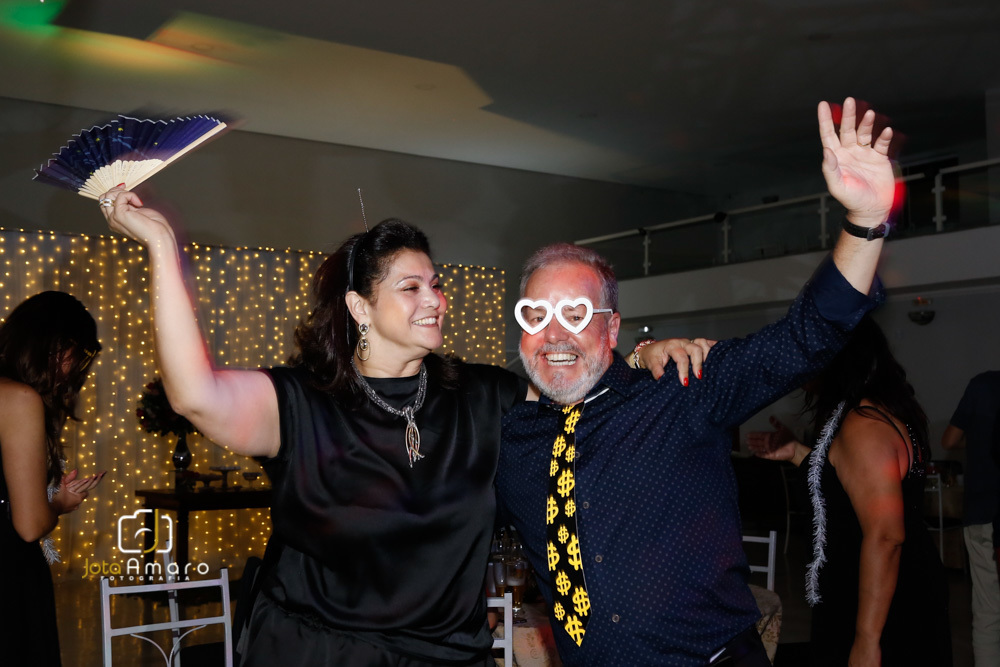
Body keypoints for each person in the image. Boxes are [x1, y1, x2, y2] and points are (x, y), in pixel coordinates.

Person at [98, 190, 706, 665]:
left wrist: (638, 357)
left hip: (450, 656)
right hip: (319, 655)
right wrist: (161, 246)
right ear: (359, 307)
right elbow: (194, 394)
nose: (435, 299)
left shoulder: (482, 395)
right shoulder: (303, 404)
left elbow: (580, 390)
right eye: (411, 287)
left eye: (435, 284)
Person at [495, 97, 895, 666]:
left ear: (612, 329)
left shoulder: (683, 390)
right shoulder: (511, 440)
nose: (554, 333)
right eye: (536, 315)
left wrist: (866, 222)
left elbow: (807, 335)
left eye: (576, 315)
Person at [748, 316, 951, 666]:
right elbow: (847, 481)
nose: (804, 363)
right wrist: (795, 452)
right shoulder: (866, 413)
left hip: (884, 604)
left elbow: (886, 536)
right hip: (883, 590)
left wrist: (867, 640)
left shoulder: (864, 424)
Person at [0, 291, 105, 667]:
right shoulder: (19, 398)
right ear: (60, 347)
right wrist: (58, 503)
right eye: (82, 356)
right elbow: (29, 526)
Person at [942, 370, 1000, 665]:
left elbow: (949, 440)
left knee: (988, 609)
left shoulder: (983, 385)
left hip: (982, 509)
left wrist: (979, 439)